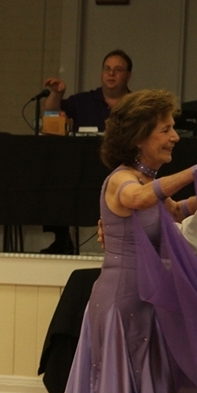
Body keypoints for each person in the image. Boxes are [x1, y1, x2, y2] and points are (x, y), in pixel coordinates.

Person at [43, 89, 197, 393]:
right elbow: (141, 199)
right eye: (165, 129)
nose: (174, 137)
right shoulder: (122, 180)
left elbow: (175, 211)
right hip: (119, 306)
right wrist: (193, 172)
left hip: (147, 305)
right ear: (140, 136)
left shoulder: (148, 180)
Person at [39, 49, 134, 254]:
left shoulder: (137, 105)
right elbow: (52, 113)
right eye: (107, 69)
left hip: (123, 172)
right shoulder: (83, 101)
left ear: (128, 76)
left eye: (118, 70)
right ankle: (64, 242)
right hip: (82, 173)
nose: (111, 73)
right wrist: (57, 94)